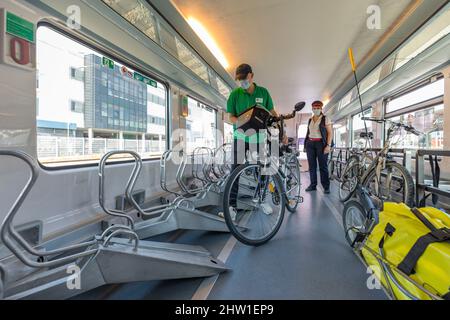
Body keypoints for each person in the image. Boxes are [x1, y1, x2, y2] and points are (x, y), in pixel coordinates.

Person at [222, 63, 285, 219]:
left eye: (244, 78)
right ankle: (231, 207)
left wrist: (281, 130)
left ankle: (262, 200)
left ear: (251, 76)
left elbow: (272, 113)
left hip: (260, 138)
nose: (242, 82)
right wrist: (240, 121)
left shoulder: (263, 93)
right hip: (241, 137)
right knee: (235, 171)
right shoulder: (235, 94)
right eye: (239, 80)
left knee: (263, 169)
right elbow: (230, 116)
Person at [304, 100, 333, 194]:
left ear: (321, 109)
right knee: (312, 166)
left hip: (321, 144)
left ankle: (326, 187)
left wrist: (328, 145)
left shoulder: (325, 118)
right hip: (310, 144)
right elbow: (308, 133)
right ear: (312, 109)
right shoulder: (310, 119)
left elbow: (330, 133)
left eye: (318, 108)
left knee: (323, 166)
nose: (316, 109)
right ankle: (313, 185)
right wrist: (306, 144)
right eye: (314, 108)